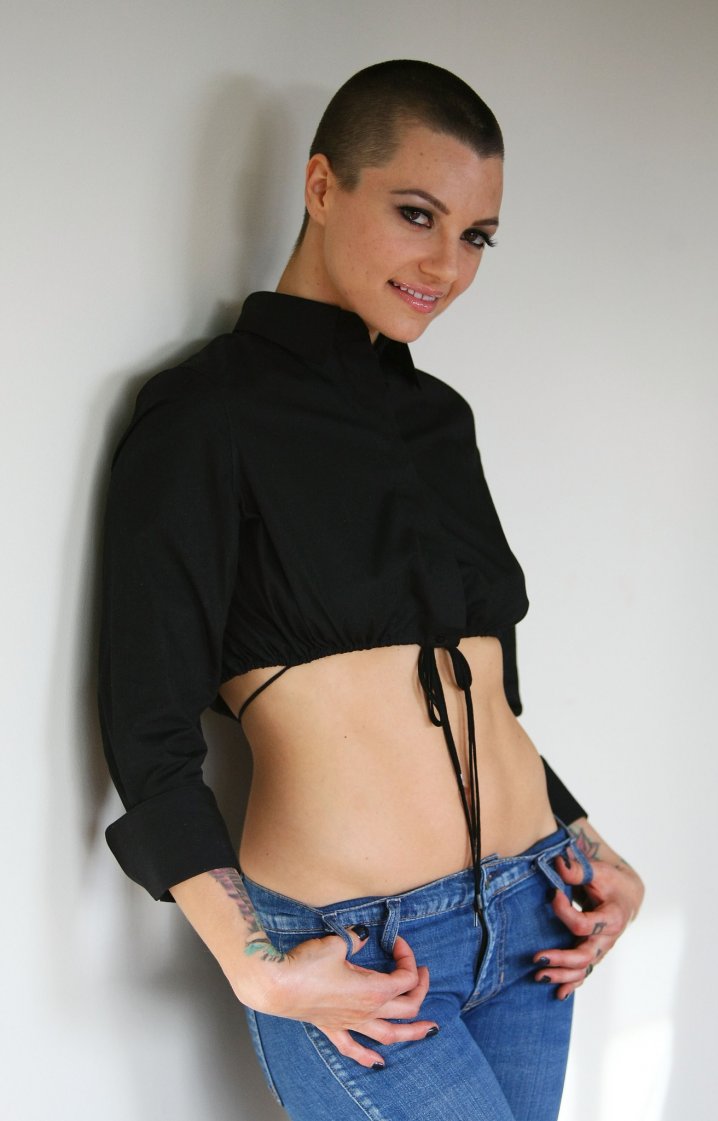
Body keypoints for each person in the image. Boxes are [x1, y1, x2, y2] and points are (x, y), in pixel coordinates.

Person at [98, 60, 644, 1121]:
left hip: (536, 913)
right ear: (321, 186)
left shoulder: (443, 422)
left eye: (476, 236)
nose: (446, 264)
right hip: (364, 954)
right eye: (415, 214)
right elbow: (147, 726)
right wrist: (255, 966)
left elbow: (481, 701)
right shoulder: (205, 415)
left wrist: (590, 843)